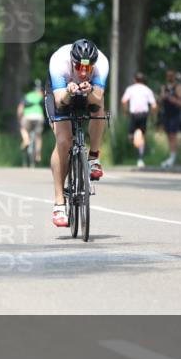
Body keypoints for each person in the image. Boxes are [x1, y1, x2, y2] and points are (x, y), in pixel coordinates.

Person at [45, 38, 109, 227]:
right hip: (60, 92)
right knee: (64, 141)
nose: (83, 72)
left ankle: (93, 157)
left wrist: (89, 92)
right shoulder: (58, 62)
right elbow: (59, 101)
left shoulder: (102, 64)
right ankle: (58, 203)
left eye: (88, 69)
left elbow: (97, 98)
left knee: (99, 109)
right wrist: (68, 90)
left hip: (87, 94)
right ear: (72, 62)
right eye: (79, 67)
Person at [121, 72, 158, 168]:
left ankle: (135, 143)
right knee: (142, 136)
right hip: (144, 115)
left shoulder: (131, 89)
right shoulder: (147, 90)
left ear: (135, 79)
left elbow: (124, 101)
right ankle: (140, 158)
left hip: (134, 114)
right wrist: (153, 114)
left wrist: (125, 111)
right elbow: (154, 105)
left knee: (131, 135)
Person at [17, 79, 46, 165]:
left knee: (23, 129)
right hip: (39, 117)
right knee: (38, 136)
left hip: (27, 117)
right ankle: (38, 155)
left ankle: (26, 140)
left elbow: (20, 109)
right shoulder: (41, 95)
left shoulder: (27, 96)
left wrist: (20, 119)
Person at [158, 69, 181, 168]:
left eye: (171, 75)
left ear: (174, 76)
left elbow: (180, 99)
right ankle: (171, 155)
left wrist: (172, 99)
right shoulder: (164, 87)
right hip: (166, 114)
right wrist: (163, 97)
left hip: (175, 114)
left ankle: (173, 156)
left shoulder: (178, 87)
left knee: (173, 134)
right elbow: (160, 99)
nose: (169, 77)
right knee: (168, 134)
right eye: (168, 75)